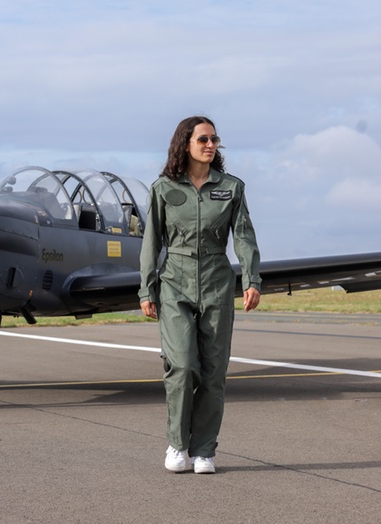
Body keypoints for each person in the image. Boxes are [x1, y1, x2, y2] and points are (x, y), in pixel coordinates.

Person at [138, 115, 262, 474]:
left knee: (213, 372)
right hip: (174, 282)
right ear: (185, 144)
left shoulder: (232, 188)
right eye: (203, 140)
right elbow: (152, 243)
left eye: (214, 140)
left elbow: (244, 237)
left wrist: (252, 280)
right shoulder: (163, 189)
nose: (211, 145)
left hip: (217, 282)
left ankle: (204, 449)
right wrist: (147, 288)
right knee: (181, 365)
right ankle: (177, 445)